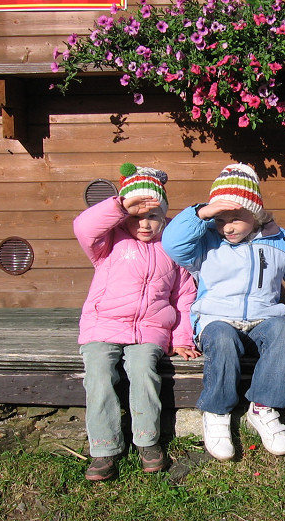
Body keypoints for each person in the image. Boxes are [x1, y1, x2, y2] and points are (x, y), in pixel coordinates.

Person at [161, 163, 285, 461]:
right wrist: (202, 213)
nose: (227, 227)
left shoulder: (279, 240)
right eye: (220, 219)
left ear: (255, 213)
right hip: (216, 319)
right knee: (221, 338)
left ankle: (264, 407)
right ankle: (217, 412)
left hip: (262, 318)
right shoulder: (204, 242)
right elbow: (172, 243)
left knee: (284, 329)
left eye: (235, 218)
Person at [74, 162, 200, 482]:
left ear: (164, 216)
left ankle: (147, 441)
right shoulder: (107, 242)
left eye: (153, 216)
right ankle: (104, 447)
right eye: (136, 216)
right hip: (103, 325)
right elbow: (83, 226)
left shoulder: (171, 247)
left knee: (144, 371)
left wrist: (182, 338)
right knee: (99, 374)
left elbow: (185, 296)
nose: (145, 223)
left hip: (150, 330)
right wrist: (120, 205)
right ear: (125, 215)